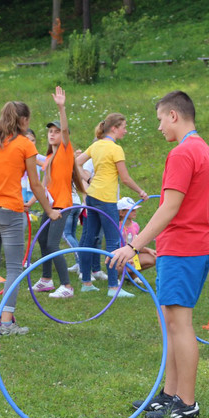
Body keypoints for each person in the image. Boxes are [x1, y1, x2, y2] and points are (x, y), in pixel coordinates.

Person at [110, 90, 209, 418]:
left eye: (160, 119)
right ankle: (170, 394)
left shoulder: (183, 153)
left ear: (174, 115)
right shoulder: (203, 149)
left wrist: (133, 245)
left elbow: (169, 207)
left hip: (185, 248)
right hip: (188, 247)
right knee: (172, 323)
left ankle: (187, 403)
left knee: (179, 325)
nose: (159, 127)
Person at [0, 100, 59, 335]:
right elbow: (35, 184)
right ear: (23, 120)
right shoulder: (25, 145)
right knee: (14, 267)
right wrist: (49, 211)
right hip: (10, 211)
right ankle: (6, 323)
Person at [75, 113, 149, 297]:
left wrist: (89, 179)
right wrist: (140, 191)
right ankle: (113, 287)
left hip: (92, 197)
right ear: (114, 128)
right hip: (106, 199)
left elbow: (76, 163)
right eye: (124, 127)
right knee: (113, 242)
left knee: (89, 239)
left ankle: (86, 283)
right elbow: (125, 178)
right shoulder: (116, 149)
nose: (126, 130)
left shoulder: (96, 145)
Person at [32, 87, 84, 299]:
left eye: (56, 131)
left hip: (62, 205)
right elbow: (43, 186)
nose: (52, 134)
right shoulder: (48, 159)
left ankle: (67, 286)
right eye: (50, 132)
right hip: (49, 206)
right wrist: (30, 203)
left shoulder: (65, 150)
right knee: (43, 240)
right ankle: (46, 280)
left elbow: (65, 130)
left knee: (53, 244)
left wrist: (61, 107)